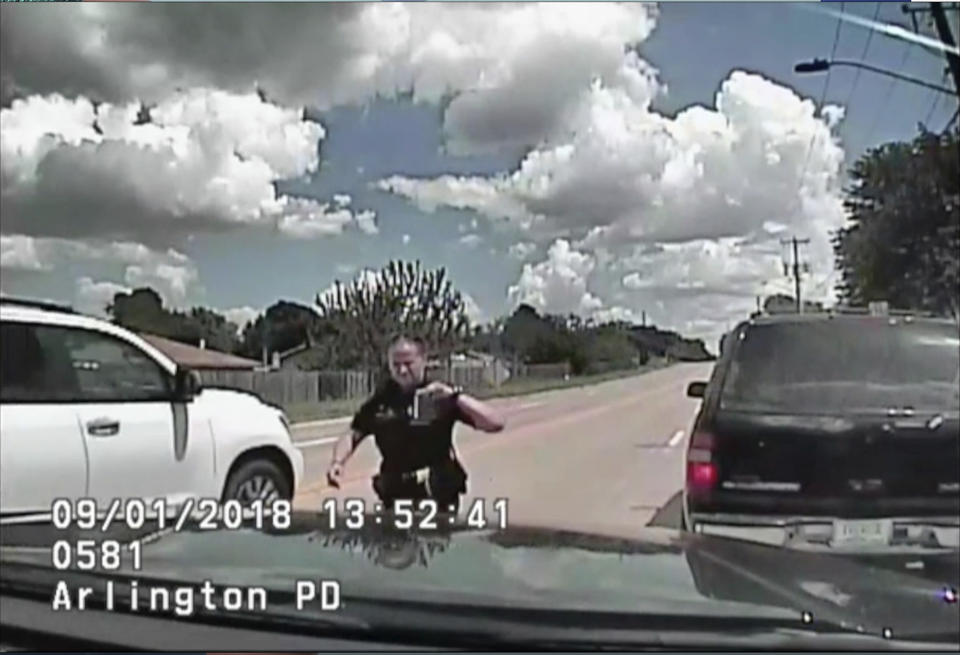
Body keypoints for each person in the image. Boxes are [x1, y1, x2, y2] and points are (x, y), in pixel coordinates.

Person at [325, 335, 505, 513]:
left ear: (423, 360)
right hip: (396, 495)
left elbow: (495, 422)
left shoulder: (439, 394)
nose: (402, 370)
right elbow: (354, 433)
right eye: (395, 364)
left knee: (435, 541)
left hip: (436, 493)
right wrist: (338, 462)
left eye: (408, 364)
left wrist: (455, 398)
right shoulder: (381, 401)